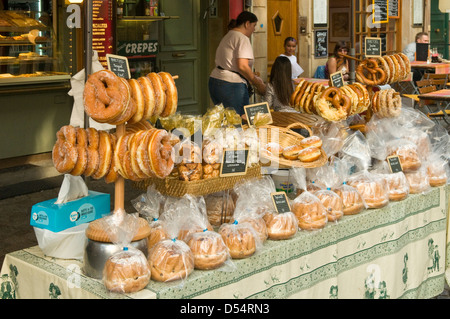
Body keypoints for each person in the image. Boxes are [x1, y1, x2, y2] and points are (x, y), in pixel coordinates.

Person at [209, 11, 266, 115]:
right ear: (247, 24)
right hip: (231, 85)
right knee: (238, 122)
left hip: (215, 81)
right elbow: (242, 66)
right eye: (254, 25)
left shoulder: (228, 35)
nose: (254, 29)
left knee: (224, 121)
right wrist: (257, 82)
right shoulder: (242, 38)